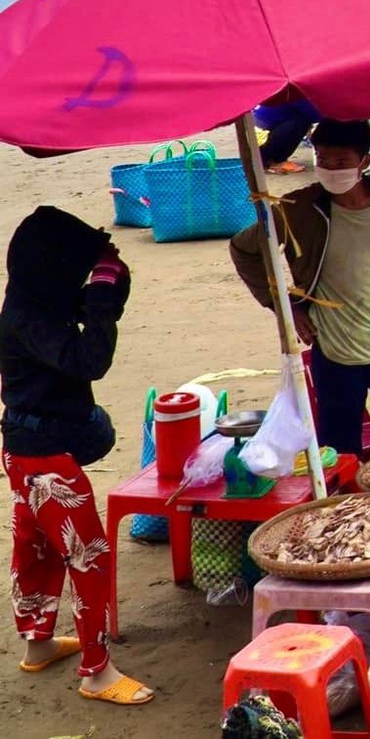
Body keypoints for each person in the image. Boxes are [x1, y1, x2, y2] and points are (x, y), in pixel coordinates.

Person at [2, 208, 153, 706]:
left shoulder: (37, 299)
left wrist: (111, 282)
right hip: (42, 457)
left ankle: (39, 640)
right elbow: (92, 358)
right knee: (88, 555)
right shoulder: (27, 318)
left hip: (29, 449)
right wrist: (103, 292)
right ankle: (96, 672)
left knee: (38, 547)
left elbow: (99, 317)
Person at [229, 119, 370, 457]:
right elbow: (244, 249)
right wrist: (285, 305)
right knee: (339, 451)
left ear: (364, 162)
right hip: (335, 351)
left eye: (341, 162)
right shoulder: (298, 208)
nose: (330, 170)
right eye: (323, 160)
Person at [254, 99, 318, 174]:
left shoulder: (286, 91)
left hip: (256, 143)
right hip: (258, 146)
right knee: (301, 122)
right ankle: (275, 161)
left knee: (300, 119)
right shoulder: (297, 95)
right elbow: (317, 115)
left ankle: (272, 159)